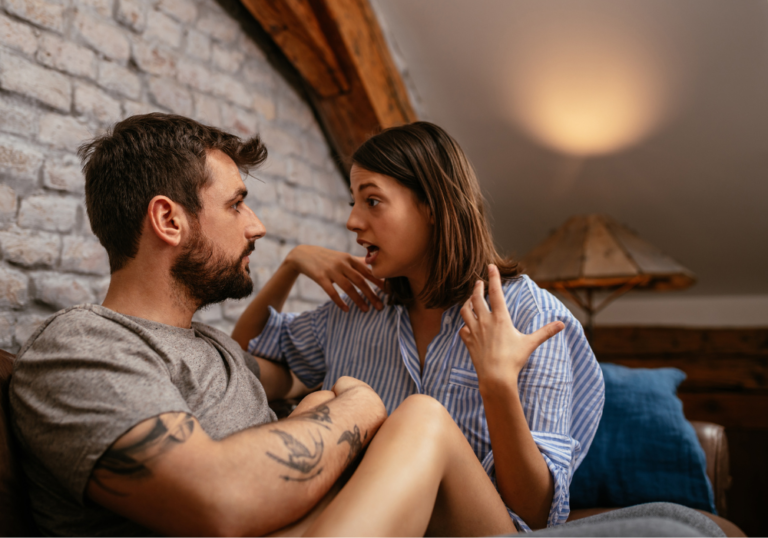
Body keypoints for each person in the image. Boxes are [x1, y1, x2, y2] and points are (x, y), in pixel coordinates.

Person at [8, 113, 565, 537]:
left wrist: (321, 405)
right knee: (419, 417)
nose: (257, 226)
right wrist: (357, 404)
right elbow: (217, 497)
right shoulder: (84, 345)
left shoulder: (215, 351)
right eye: (236, 206)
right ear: (169, 220)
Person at [233, 121, 606, 532]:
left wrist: (498, 383)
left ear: (432, 206)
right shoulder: (358, 308)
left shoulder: (528, 314)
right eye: (353, 202)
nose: (353, 221)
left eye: (372, 201)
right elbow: (243, 367)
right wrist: (291, 265)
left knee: (422, 416)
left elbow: (536, 511)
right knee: (321, 403)